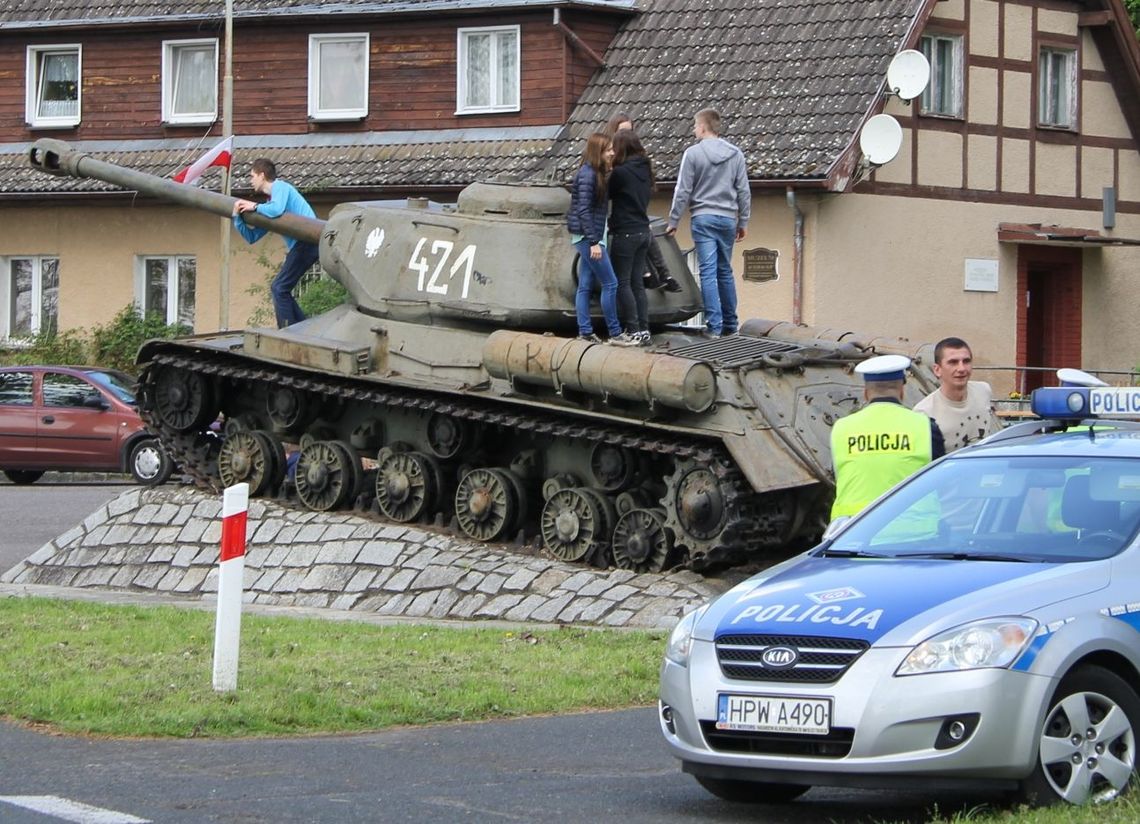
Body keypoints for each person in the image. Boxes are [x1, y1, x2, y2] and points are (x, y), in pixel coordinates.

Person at [666, 108, 750, 338]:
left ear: (703, 127)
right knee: (725, 271)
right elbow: (743, 190)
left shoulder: (693, 154)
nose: (694, 130)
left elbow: (682, 190)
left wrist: (674, 220)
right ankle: (731, 325)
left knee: (707, 272)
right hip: (727, 219)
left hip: (703, 217)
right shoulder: (736, 154)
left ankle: (714, 325)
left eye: (695, 126)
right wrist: (743, 221)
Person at [830, 355, 945, 520]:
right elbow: (940, 480)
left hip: (851, 533)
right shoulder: (925, 426)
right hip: (915, 532)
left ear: (866, 393)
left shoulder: (841, 428)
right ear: (902, 391)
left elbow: (839, 476)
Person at [232, 158, 319, 329]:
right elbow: (252, 236)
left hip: (307, 242)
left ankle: (290, 332)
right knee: (281, 288)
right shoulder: (268, 206)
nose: (250, 181)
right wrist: (237, 219)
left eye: (252, 176)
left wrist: (254, 206)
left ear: (262, 175)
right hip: (303, 245)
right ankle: (302, 329)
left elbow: (277, 209)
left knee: (279, 288)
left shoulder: (281, 187)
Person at [566, 133, 634, 346]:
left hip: (590, 235)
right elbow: (584, 210)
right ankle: (615, 334)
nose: (612, 153)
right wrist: (594, 241)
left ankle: (585, 331)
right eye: (608, 150)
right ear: (598, 152)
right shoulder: (588, 175)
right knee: (610, 283)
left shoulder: (594, 173)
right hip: (589, 237)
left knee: (585, 285)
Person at [608, 130, 655, 346]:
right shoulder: (646, 169)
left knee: (622, 282)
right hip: (644, 231)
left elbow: (604, 193)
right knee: (637, 283)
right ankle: (644, 329)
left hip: (625, 232)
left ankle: (632, 329)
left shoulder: (621, 173)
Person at [914, 337, 1001, 452]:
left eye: (966, 361)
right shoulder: (924, 413)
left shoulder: (983, 390)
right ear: (937, 370)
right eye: (953, 362)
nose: (961, 368)